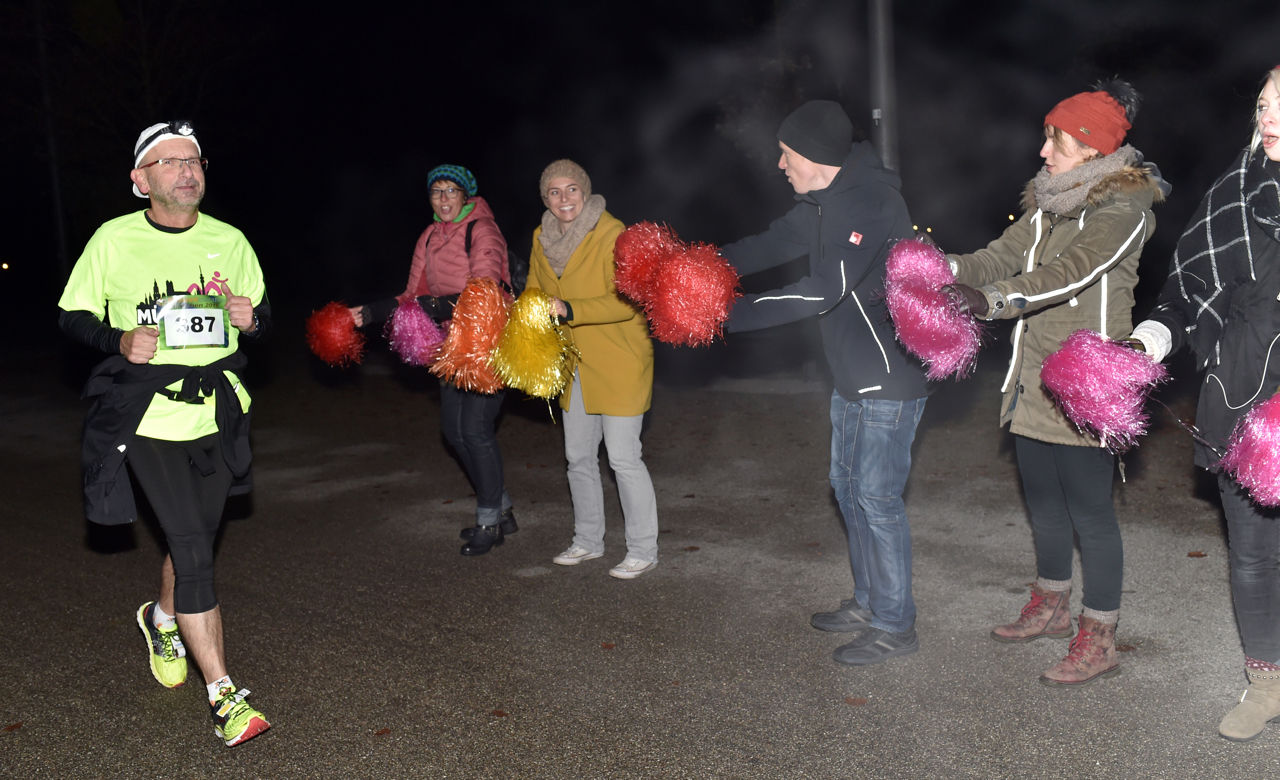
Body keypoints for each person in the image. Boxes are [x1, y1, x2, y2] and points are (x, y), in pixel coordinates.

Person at [944, 80, 1168, 685]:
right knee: (1043, 503)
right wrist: (940, 269)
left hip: (1086, 383)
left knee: (1091, 514)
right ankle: (1051, 604)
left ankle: (1101, 635)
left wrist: (989, 302)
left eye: (1058, 143)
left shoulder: (1125, 210)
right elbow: (1000, 255)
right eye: (1048, 140)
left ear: (1093, 151)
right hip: (1032, 376)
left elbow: (1069, 274)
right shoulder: (1049, 201)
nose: (1044, 153)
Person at [57, 121, 272, 746]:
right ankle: (226, 697)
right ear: (140, 179)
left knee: (195, 538)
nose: (188, 170)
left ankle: (161, 617)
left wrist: (250, 320)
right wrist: (117, 340)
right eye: (170, 161)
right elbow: (72, 314)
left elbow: (261, 315)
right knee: (196, 551)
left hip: (216, 414)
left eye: (195, 160)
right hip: (148, 418)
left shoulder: (229, 241)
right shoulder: (114, 240)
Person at [719, 100, 931, 666]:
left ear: (814, 155)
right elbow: (764, 247)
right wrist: (692, 270)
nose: (779, 164)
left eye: (786, 154)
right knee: (848, 491)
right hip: (850, 377)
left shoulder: (872, 202)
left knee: (877, 501)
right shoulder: (820, 204)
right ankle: (869, 602)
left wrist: (726, 313)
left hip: (889, 379)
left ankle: (895, 624)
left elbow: (822, 288)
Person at [1129, 66, 1280, 739]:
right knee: (1251, 557)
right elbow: (1183, 293)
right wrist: (1144, 343)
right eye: (1264, 103)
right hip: (1239, 404)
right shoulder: (1233, 195)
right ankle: (1267, 683)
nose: (1270, 115)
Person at [350, 165, 516, 556]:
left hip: (489, 341)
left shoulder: (482, 230)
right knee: (453, 431)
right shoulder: (429, 236)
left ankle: (490, 522)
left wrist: (433, 305)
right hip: (452, 343)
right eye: (436, 192)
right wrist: (370, 313)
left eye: (451, 191)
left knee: (475, 430)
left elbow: (486, 288)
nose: (443, 199)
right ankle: (502, 507)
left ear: (465, 196)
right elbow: (412, 293)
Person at [527, 159, 659, 579]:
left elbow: (626, 301)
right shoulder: (541, 237)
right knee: (578, 457)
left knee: (623, 458)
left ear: (584, 191)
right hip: (573, 361)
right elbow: (534, 288)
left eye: (571, 189)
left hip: (619, 359)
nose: (564, 199)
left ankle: (643, 548)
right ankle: (588, 540)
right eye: (554, 191)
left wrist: (568, 309)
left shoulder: (612, 233)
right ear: (545, 198)